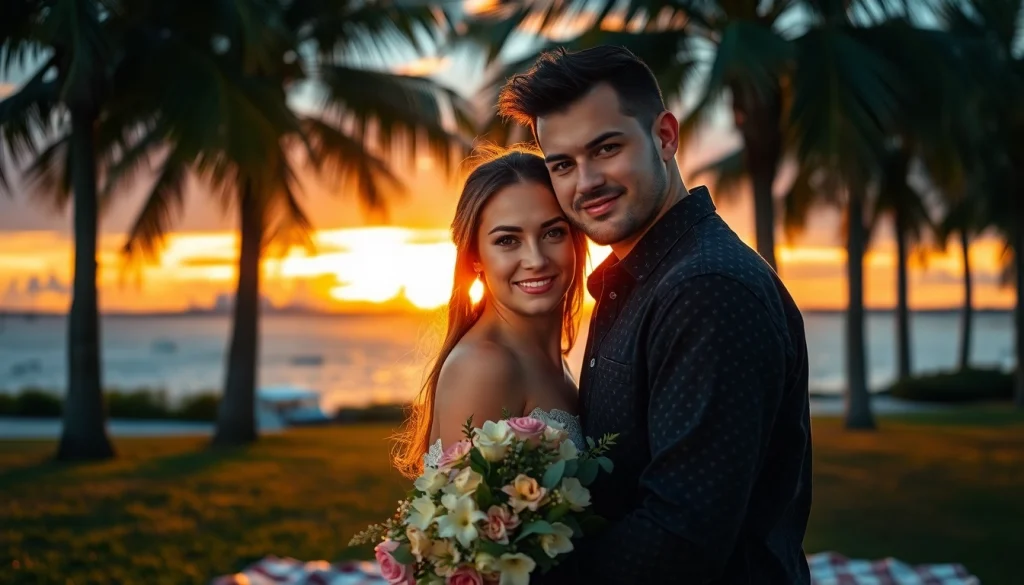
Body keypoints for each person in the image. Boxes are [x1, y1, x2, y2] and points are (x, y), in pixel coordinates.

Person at [497, 45, 813, 584]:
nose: (586, 182)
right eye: (563, 165)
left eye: (606, 148)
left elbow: (680, 538)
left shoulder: (706, 290)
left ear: (665, 137)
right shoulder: (643, 281)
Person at [392, 146, 589, 479]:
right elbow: (466, 508)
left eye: (553, 232)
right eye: (507, 240)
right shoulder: (484, 366)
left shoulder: (548, 359)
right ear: (475, 258)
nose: (536, 259)